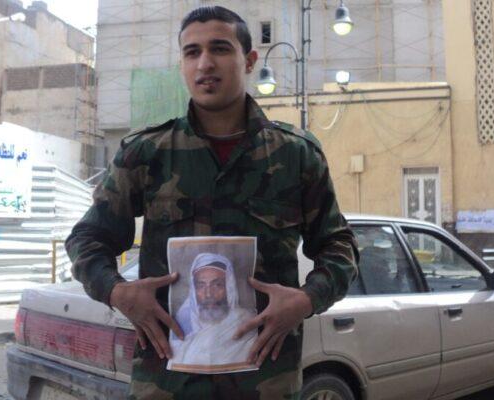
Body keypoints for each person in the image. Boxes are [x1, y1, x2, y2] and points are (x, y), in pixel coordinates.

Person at [65, 5, 358, 399]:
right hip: (166, 383)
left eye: (220, 49)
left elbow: (339, 247)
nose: (205, 63)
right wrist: (117, 292)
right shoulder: (147, 152)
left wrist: (306, 300)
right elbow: (87, 240)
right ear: (182, 64)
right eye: (192, 52)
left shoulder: (296, 155)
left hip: (265, 380)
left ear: (249, 60)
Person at [170, 253, 257, 369]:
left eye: (217, 285)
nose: (208, 294)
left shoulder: (246, 321)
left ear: (229, 287)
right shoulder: (182, 322)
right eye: (201, 286)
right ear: (193, 290)